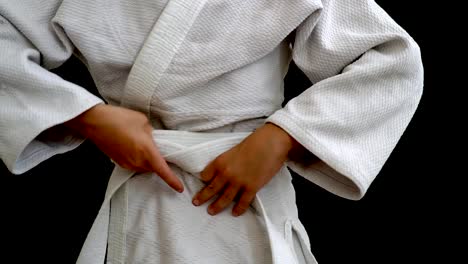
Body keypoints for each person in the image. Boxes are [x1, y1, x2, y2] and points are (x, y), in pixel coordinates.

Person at [0, 0, 423, 263]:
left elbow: (391, 60)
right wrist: (87, 116)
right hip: (150, 190)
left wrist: (284, 136)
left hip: (245, 194)